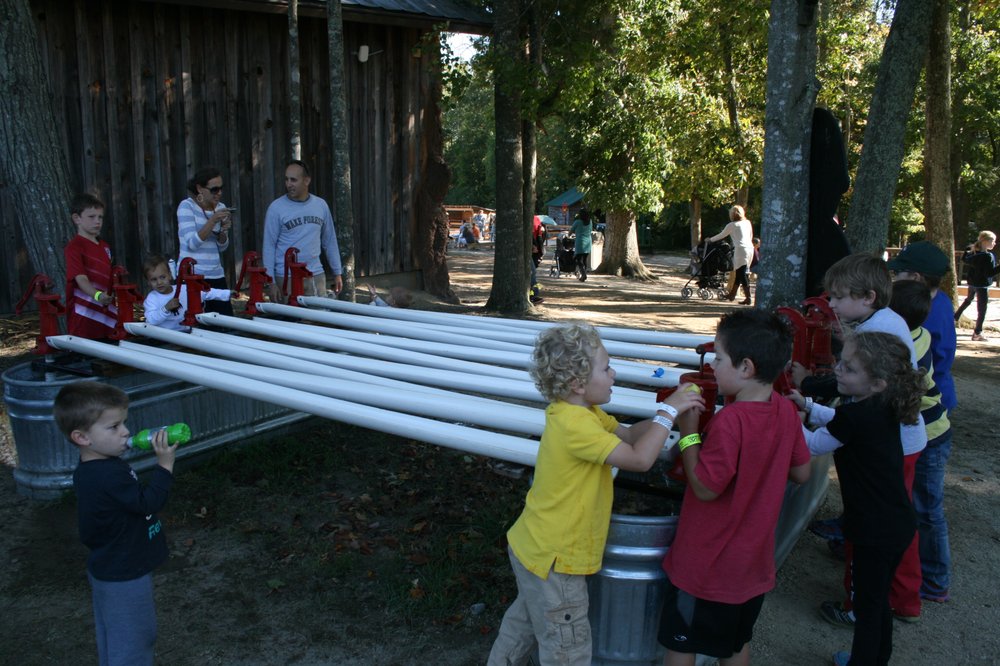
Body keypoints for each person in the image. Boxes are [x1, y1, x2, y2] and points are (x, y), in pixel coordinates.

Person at [487, 324, 704, 666]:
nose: (614, 373)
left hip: (535, 549)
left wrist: (673, 423)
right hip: (557, 562)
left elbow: (632, 435)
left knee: (525, 626)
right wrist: (667, 413)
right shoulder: (577, 426)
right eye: (606, 368)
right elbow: (640, 459)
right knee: (568, 650)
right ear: (578, 383)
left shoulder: (580, 412)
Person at [659, 310, 811, 666]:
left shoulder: (731, 422)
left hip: (707, 567)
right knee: (734, 644)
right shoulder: (784, 411)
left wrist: (689, 432)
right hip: (752, 566)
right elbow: (802, 474)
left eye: (720, 358)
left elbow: (705, 488)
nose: (712, 364)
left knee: (681, 644)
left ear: (746, 367)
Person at [790, 332, 923, 666]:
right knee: (877, 603)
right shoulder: (879, 407)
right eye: (841, 362)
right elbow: (839, 423)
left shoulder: (858, 416)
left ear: (877, 383)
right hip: (895, 523)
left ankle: (863, 661)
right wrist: (806, 405)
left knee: (866, 605)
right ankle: (877, 658)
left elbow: (812, 445)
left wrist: (786, 418)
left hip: (874, 530)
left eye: (848, 369)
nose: (837, 370)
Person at [53, 381, 177, 666]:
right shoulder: (109, 475)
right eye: (114, 427)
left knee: (113, 633)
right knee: (135, 638)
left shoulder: (94, 469)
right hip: (124, 573)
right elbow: (147, 502)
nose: (126, 432)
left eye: (124, 423)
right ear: (82, 437)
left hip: (108, 565)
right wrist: (164, 465)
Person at [886, 241, 957, 414]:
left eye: (897, 272)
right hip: (937, 389)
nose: (894, 278)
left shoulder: (917, 313)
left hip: (924, 398)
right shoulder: (941, 299)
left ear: (915, 277)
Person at [262, 160, 343, 303]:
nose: (288, 184)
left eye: (293, 180)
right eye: (286, 179)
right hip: (286, 277)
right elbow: (268, 246)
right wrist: (271, 282)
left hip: (316, 274)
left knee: (318, 321)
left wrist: (337, 273)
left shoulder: (320, 205)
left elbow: (329, 240)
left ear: (307, 180)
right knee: (291, 322)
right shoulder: (276, 208)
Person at [176, 167, 234, 315]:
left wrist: (223, 231)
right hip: (192, 276)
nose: (219, 193)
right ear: (199, 188)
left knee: (224, 322)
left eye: (221, 188)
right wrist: (213, 221)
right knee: (195, 322)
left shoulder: (220, 207)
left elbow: (222, 246)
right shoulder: (186, 206)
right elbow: (192, 243)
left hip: (216, 274)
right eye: (214, 189)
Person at [64, 193, 118, 339]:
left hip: (108, 312)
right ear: (77, 219)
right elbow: (80, 279)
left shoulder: (105, 246)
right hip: (84, 313)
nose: (97, 221)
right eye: (91, 217)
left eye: (100, 217)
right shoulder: (74, 247)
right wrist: (97, 295)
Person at [143, 254, 235, 331]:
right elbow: (150, 320)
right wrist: (166, 308)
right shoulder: (151, 299)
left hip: (188, 332)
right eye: (154, 279)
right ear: (148, 282)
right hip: (165, 337)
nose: (159, 282)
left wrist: (227, 293)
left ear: (170, 275)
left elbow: (207, 293)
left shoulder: (184, 289)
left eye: (162, 277)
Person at [954, 230, 998, 341]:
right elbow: (989, 273)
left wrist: (967, 250)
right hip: (982, 285)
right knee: (982, 310)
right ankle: (977, 333)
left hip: (972, 283)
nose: (994, 244)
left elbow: (965, 259)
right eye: (993, 241)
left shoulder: (973, 253)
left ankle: (954, 318)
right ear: (986, 241)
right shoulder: (988, 256)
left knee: (968, 300)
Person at [709, 205, 755, 304]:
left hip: (740, 249)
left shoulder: (732, 225)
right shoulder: (747, 223)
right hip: (750, 248)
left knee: (741, 273)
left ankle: (748, 297)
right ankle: (732, 294)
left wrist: (710, 240)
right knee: (740, 272)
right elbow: (750, 236)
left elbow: (721, 235)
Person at [570, 209, 594, 282]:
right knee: (584, 260)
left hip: (580, 242)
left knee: (578, 259)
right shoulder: (590, 221)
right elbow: (590, 230)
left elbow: (571, 230)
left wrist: (569, 235)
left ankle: (583, 274)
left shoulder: (577, 222)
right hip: (588, 242)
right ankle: (584, 274)